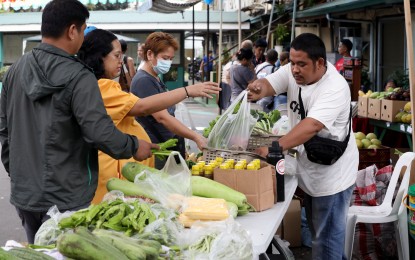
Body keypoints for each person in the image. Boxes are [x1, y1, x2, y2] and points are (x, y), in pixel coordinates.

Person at [0, 0, 157, 244]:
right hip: (67, 197)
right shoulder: (79, 75)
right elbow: (98, 131)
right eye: (83, 30)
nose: (83, 37)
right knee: (68, 250)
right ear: (72, 30)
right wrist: (134, 147)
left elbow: (4, 131)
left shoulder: (15, 70)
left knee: (38, 251)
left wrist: (18, 175)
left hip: (26, 195)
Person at [248, 33, 358, 260]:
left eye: (302, 64)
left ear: (320, 63)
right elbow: (271, 84)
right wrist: (260, 87)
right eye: (293, 63)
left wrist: (275, 147)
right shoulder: (293, 71)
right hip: (310, 166)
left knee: (326, 241)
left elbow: (312, 125)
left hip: (333, 175)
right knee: (324, 235)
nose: (295, 69)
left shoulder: (335, 87)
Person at [78, 29, 220, 203]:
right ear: (100, 56)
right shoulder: (104, 86)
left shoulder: (101, 85)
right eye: (116, 56)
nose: (120, 61)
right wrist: (187, 91)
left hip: (124, 171)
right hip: (114, 174)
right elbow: (143, 107)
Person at [131, 32, 216, 169]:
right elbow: (162, 117)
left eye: (170, 59)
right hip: (157, 149)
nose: (168, 63)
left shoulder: (155, 77)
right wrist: (196, 137)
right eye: (165, 58)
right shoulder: (143, 81)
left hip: (166, 145)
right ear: (150, 54)